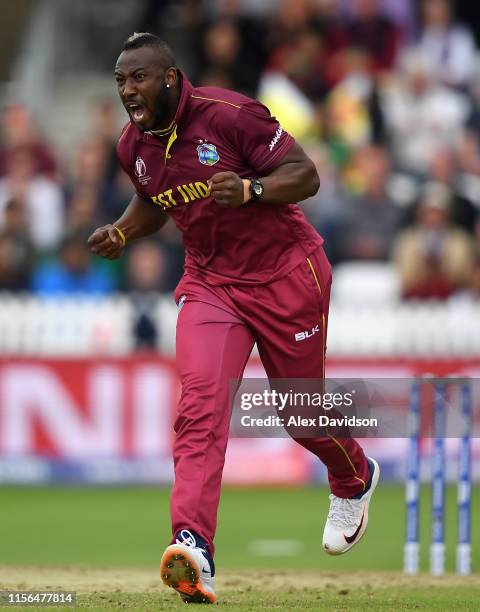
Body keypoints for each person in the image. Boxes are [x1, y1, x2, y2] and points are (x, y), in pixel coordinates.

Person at [88, 32, 379, 604]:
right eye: (121, 80)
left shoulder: (231, 115)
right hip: (211, 283)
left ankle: (354, 477)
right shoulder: (132, 146)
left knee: (301, 414)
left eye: (138, 77)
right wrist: (123, 229)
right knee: (199, 406)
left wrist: (250, 188)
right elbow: (153, 199)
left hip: (287, 275)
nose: (128, 90)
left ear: (170, 77)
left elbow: (307, 175)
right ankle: (193, 545)